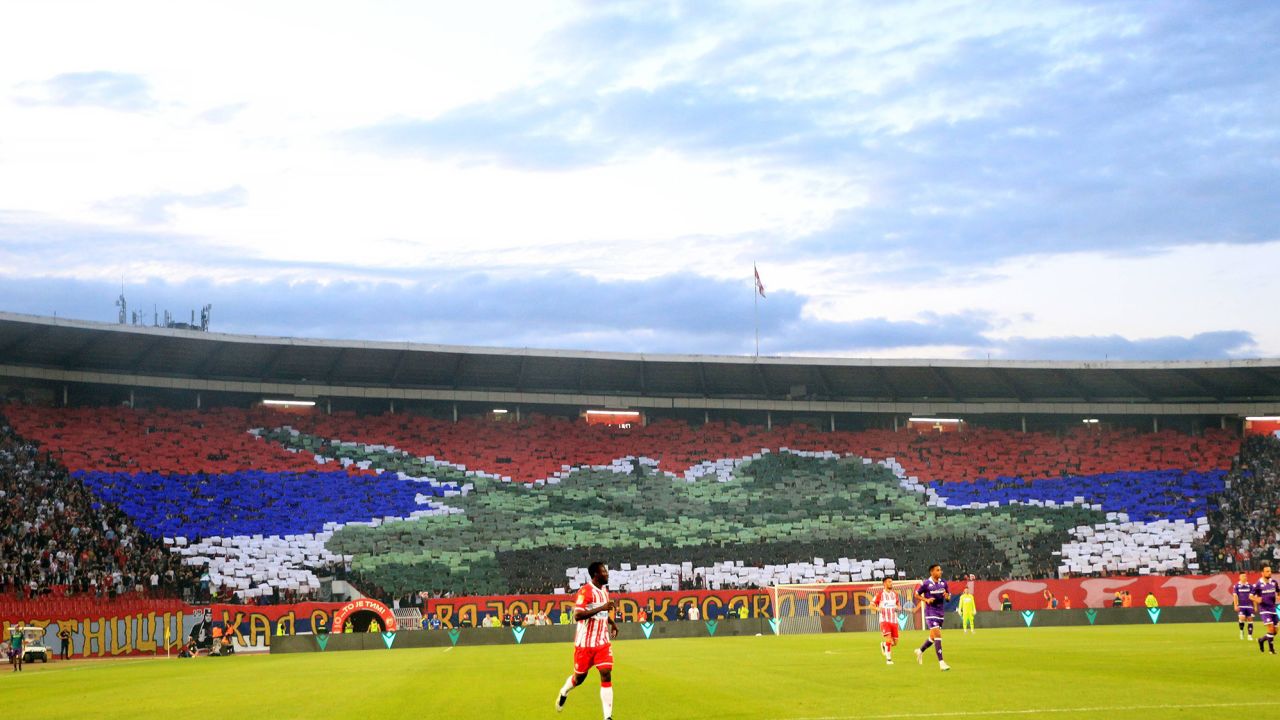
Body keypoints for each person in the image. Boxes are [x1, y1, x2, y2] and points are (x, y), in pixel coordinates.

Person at [555, 561, 619, 719]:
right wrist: (602, 608)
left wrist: (612, 624)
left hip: (602, 642)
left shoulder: (604, 591)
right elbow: (578, 615)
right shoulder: (585, 591)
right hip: (585, 644)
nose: (607, 573)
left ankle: (607, 717)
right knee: (579, 678)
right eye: (604, 571)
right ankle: (564, 692)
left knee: (606, 673)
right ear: (596, 575)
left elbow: (601, 615)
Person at [914, 564, 951, 671]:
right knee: (938, 636)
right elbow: (916, 594)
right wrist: (926, 600)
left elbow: (948, 598)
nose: (941, 572)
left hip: (940, 613)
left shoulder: (943, 583)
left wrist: (947, 597)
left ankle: (920, 651)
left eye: (940, 570)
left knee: (933, 637)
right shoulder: (926, 583)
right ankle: (942, 663)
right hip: (930, 613)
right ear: (932, 572)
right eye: (938, 570)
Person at [871, 577, 901, 664]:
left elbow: (898, 605)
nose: (891, 583)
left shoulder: (895, 594)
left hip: (894, 620)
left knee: (895, 643)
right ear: (884, 583)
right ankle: (889, 659)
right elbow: (871, 605)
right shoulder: (879, 594)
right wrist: (877, 609)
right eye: (889, 582)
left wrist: (898, 608)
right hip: (884, 620)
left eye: (891, 582)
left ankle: (884, 645)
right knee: (888, 639)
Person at [1252, 565, 1280, 654]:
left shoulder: (1274, 582)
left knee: (1275, 631)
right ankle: (1271, 650)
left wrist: (1278, 596)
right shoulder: (1258, 584)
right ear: (1262, 573)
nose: (1269, 573)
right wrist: (1257, 599)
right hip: (1264, 609)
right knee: (1271, 629)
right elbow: (1250, 596)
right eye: (1267, 571)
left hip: (1273, 609)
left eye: (1270, 571)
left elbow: (1278, 591)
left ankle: (1261, 640)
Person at [1235, 572, 1255, 641]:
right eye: (1243, 576)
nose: (1244, 577)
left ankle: (1249, 635)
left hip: (1249, 606)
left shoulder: (1250, 586)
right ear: (1239, 577)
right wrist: (1235, 605)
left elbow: (1253, 596)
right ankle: (1241, 631)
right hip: (1241, 606)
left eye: (1245, 576)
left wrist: (1255, 606)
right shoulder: (1237, 586)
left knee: (1250, 619)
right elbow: (1235, 596)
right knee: (1242, 618)